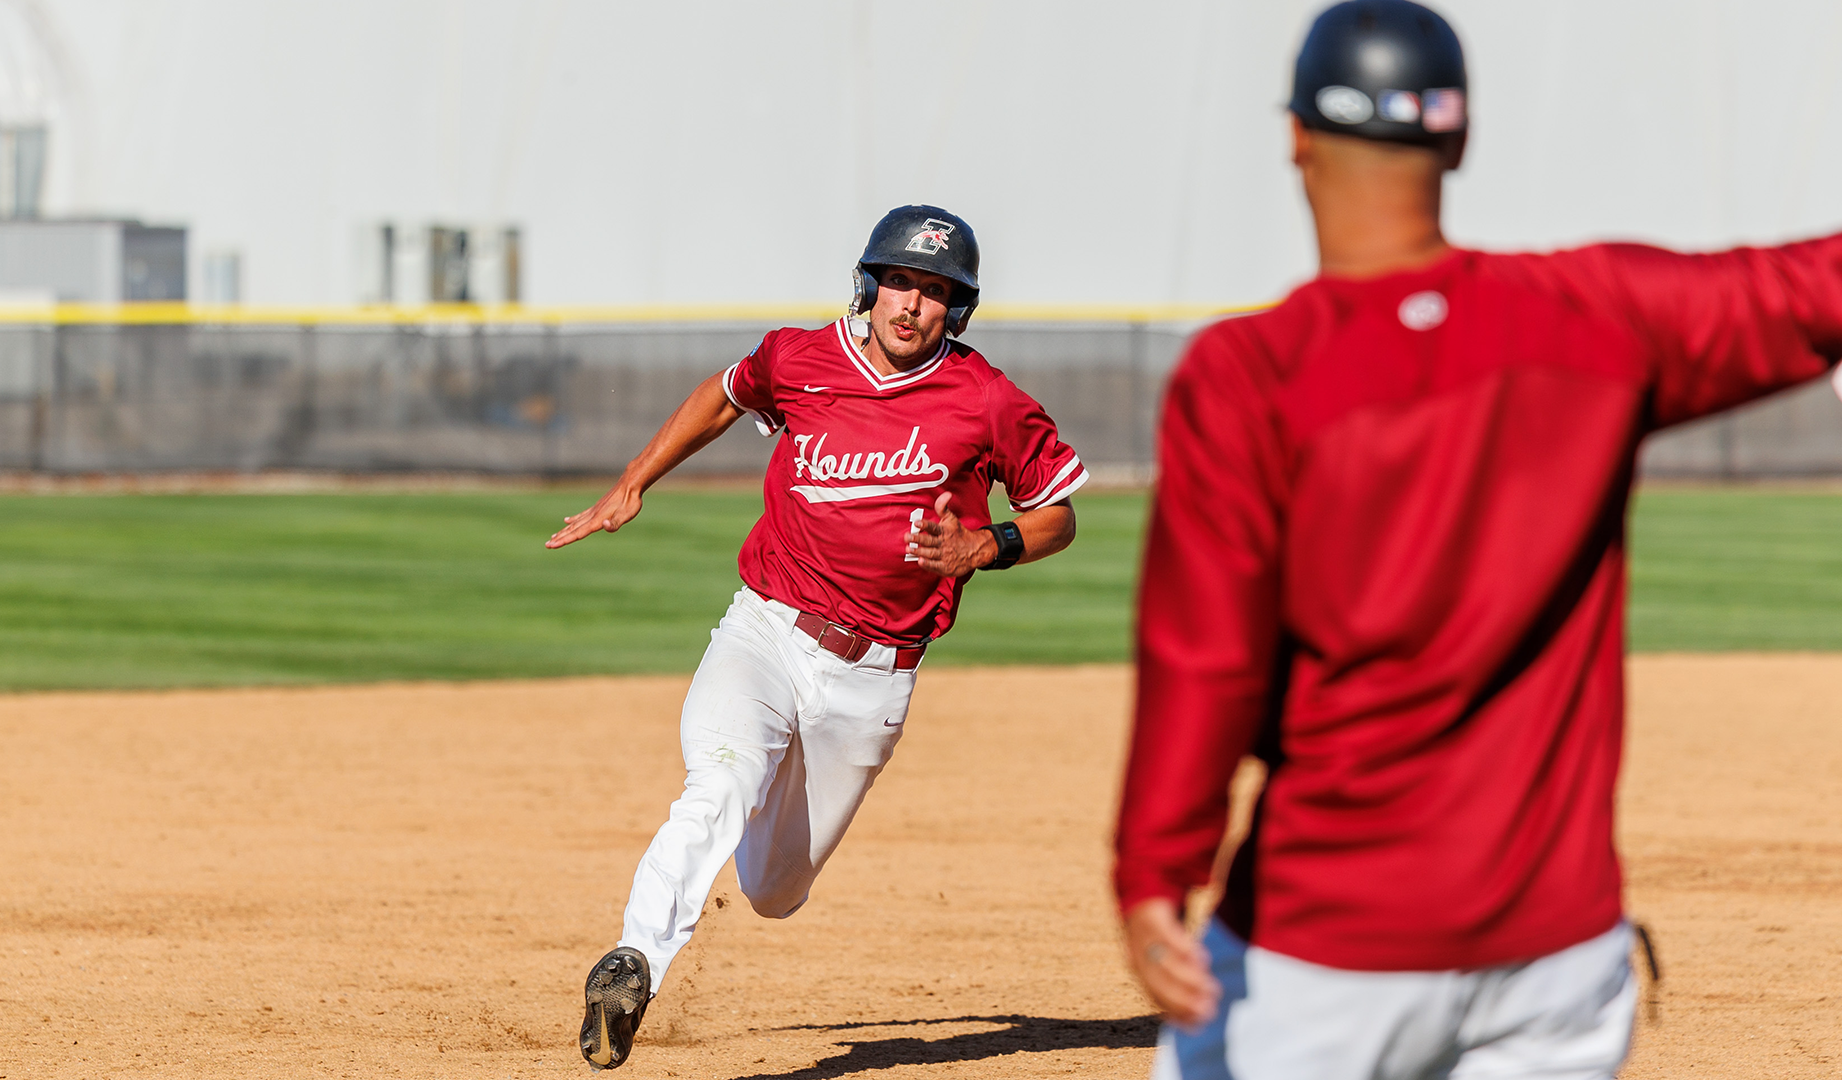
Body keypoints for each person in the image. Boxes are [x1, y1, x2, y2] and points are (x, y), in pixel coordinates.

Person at [1112, 2, 1842, 1078]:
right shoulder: (1595, 312)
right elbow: (1810, 292)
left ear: (1297, 136)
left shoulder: (1249, 373)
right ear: (1459, 139)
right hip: (1557, 956)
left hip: (1325, 949)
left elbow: (1207, 663)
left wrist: (1152, 867)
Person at [549, 204, 1088, 1070]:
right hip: (766, 627)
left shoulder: (987, 399)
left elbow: (1058, 514)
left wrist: (985, 546)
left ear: (959, 310)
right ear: (869, 287)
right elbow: (724, 395)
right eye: (902, 283)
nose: (913, 306)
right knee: (717, 784)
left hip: (875, 677)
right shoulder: (800, 359)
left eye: (937, 293)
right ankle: (635, 958)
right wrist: (632, 483)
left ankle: (744, 857)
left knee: (772, 891)